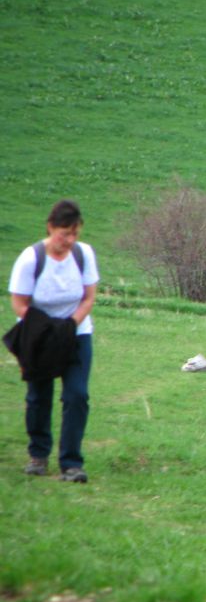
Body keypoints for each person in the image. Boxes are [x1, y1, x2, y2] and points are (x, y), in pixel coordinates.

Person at [7, 200, 100, 483]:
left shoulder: (83, 255)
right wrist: (46, 329)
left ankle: (71, 463)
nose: (69, 241)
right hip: (38, 335)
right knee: (38, 395)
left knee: (77, 394)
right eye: (64, 234)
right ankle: (38, 455)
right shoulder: (31, 258)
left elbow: (88, 296)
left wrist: (69, 326)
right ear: (51, 228)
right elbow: (19, 303)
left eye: (75, 234)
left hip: (75, 333)